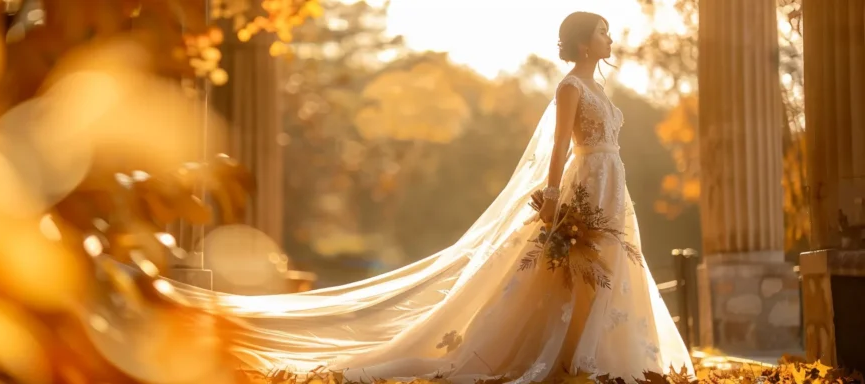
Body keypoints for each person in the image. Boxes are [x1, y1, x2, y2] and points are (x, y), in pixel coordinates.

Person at [169, 11, 694, 383]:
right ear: (584, 43)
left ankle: (598, 357)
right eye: (603, 31)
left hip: (612, 183)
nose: (610, 37)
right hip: (584, 181)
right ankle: (563, 359)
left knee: (611, 263)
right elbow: (558, 148)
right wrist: (554, 197)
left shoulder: (603, 89)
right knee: (571, 268)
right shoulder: (569, 89)